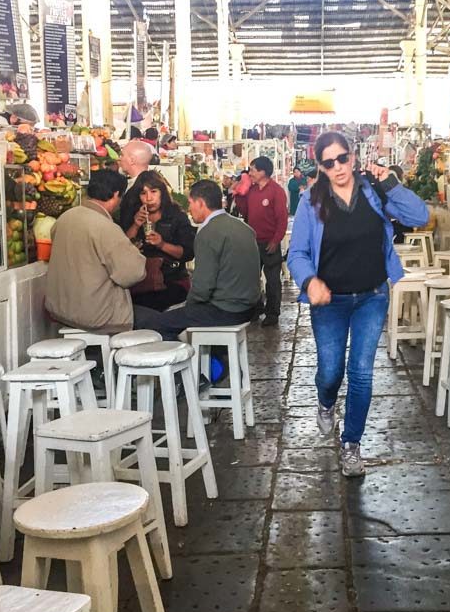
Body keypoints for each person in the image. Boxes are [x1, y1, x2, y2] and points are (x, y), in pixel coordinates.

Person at [288, 132, 428, 477]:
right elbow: (297, 253)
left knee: (362, 372)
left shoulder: (373, 192)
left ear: (353, 157)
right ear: (320, 167)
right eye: (329, 162)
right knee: (331, 370)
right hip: (330, 301)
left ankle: (351, 444)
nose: (338, 167)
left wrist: (391, 184)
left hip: (372, 295)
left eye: (343, 159)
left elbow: (419, 215)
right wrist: (310, 281)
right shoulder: (310, 202)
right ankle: (326, 402)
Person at [134, 179, 261, 339]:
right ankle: (212, 357)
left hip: (226, 309)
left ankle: (186, 362)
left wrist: (189, 307)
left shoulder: (208, 233)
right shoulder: (244, 227)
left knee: (155, 325)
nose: (189, 208)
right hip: (248, 307)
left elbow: (202, 287)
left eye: (190, 203)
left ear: (200, 203)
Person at [46, 169, 146, 334]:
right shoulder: (105, 227)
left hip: (62, 310)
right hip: (96, 315)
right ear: (115, 195)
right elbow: (132, 274)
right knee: (160, 323)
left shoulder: (64, 218)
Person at [118, 170, 196, 311]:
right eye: (143, 193)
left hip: (171, 281)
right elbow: (120, 249)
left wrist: (162, 244)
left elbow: (188, 253)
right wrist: (135, 225)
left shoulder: (176, 216)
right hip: (139, 283)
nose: (149, 198)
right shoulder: (132, 215)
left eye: (153, 191)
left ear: (162, 192)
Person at [233, 156, 288, 328]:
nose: (250, 173)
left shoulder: (276, 191)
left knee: (272, 280)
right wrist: (239, 194)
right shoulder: (253, 190)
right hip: (253, 242)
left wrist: (276, 240)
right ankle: (256, 309)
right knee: (251, 278)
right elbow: (245, 211)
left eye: (253, 170)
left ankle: (272, 313)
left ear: (263, 172)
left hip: (269, 242)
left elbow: (282, 219)